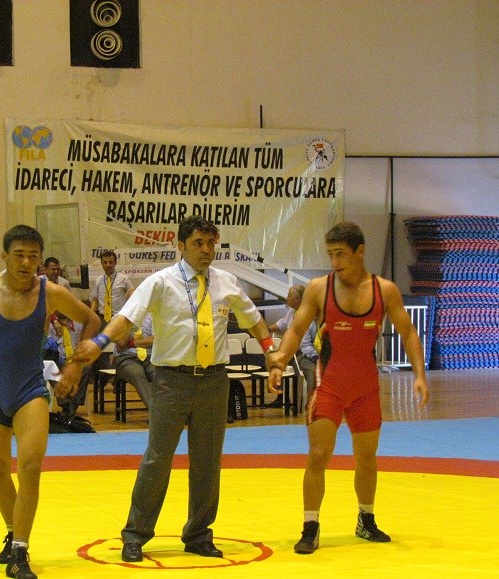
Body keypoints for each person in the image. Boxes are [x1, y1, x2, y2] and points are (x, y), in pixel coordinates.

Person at [73, 216, 277, 563]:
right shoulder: (160, 282)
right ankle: (135, 534)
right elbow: (127, 318)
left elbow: (253, 318)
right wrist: (100, 341)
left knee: (208, 461)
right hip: (171, 380)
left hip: (214, 381)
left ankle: (198, 534)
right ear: (180, 246)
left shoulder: (226, 282)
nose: (206, 250)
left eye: (211, 243)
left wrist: (270, 350)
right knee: (157, 458)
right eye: (198, 243)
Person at [267, 221, 429, 555]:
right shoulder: (319, 289)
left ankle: (365, 520)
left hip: (366, 389)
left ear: (360, 251)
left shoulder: (384, 290)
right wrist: (280, 359)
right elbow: (296, 329)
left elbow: (408, 332)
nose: (335, 261)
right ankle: (310, 526)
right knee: (318, 455)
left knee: (367, 458)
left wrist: (419, 375)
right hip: (328, 386)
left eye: (341, 253)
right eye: (330, 254)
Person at [0, 225, 99, 579]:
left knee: (30, 466)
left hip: (29, 391)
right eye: (19, 255)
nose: (27, 263)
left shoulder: (50, 293)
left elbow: (91, 320)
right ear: (4, 256)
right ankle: (12, 532)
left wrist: (75, 365)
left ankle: (20, 550)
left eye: (33, 256)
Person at [266, 284, 319, 408]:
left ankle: (311, 404)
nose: (286, 298)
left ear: (297, 299)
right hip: (289, 353)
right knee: (272, 360)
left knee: (312, 371)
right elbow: (280, 326)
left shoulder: (310, 315)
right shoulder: (291, 312)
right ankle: (280, 397)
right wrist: (263, 329)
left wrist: (315, 358)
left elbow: (310, 344)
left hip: (303, 354)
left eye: (289, 295)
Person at [112, 313, 155, 409]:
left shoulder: (153, 316)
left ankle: (170, 411)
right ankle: (155, 412)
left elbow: (154, 339)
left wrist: (132, 343)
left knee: (159, 375)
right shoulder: (118, 318)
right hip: (126, 358)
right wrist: (130, 320)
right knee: (137, 373)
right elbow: (122, 343)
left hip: (150, 357)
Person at [89, 249, 134, 328]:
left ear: (115, 263)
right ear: (101, 264)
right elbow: (95, 299)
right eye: (105, 262)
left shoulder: (124, 279)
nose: (108, 265)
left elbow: (132, 297)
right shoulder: (98, 280)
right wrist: (91, 316)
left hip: (119, 318)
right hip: (102, 319)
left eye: (111, 262)